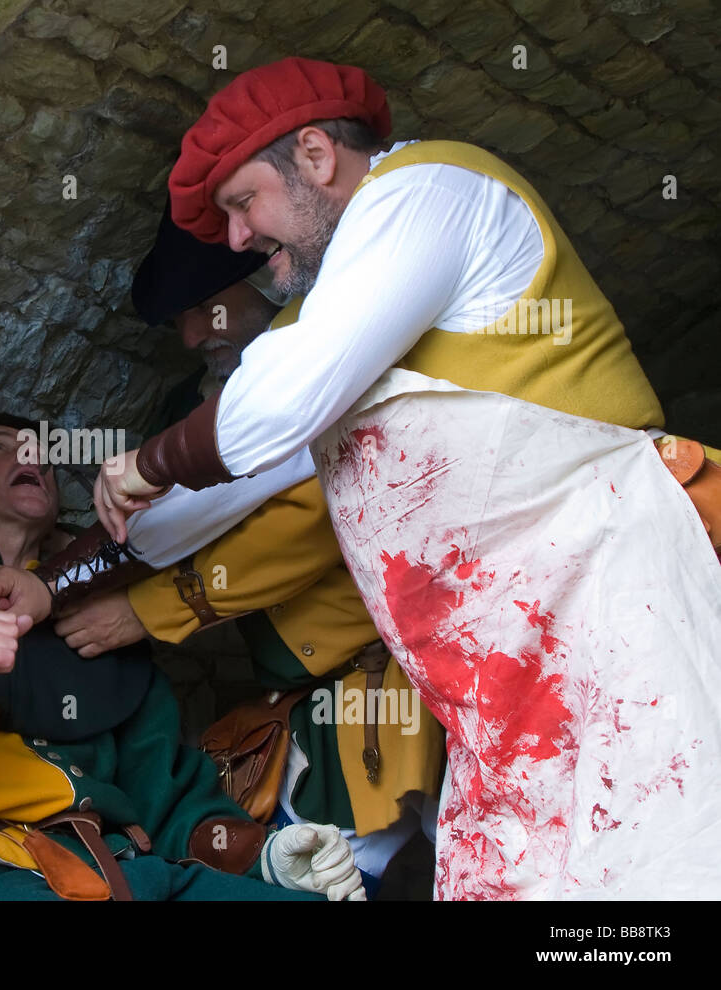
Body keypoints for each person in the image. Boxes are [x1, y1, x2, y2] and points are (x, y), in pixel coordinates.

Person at [85, 56, 721, 899]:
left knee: (668, 863)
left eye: (243, 204)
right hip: (507, 659)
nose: (235, 241)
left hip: (621, 585)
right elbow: (232, 481)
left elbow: (273, 411)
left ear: (314, 154)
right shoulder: (328, 323)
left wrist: (148, 462)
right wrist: (69, 573)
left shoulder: (430, 188)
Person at [0, 414, 364, 900]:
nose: (28, 452)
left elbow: (165, 790)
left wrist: (258, 856)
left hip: (130, 873)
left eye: (39, 449)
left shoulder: (99, 628)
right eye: (0, 446)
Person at [53, 199, 444, 896]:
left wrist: (148, 612)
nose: (194, 332)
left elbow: (318, 517)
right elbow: (165, 532)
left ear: (272, 277)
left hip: (401, 684)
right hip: (314, 708)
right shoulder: (192, 409)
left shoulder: (340, 360)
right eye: (181, 317)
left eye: (206, 304)